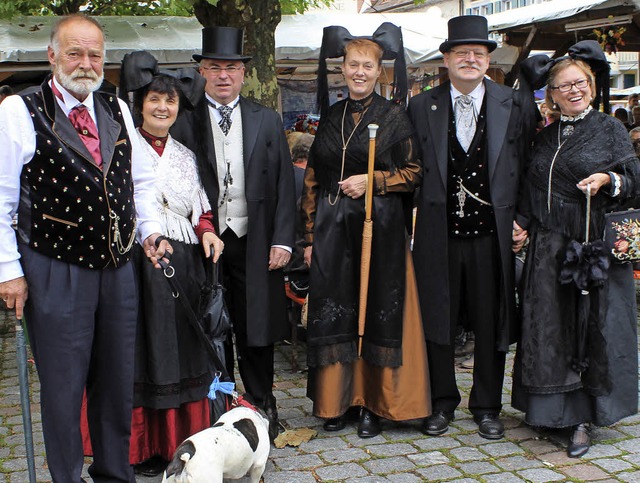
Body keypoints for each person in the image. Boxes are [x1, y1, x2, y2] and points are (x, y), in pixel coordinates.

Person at [0, 14, 170, 482]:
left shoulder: (116, 108)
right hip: (54, 267)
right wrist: (7, 270)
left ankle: (116, 474)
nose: (86, 63)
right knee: (63, 388)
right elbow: (1, 197)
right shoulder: (20, 109)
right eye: (74, 52)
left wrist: (150, 231)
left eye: (95, 53)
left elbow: (141, 182)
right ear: (52, 55)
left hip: (117, 268)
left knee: (115, 384)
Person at [408, 15, 535, 440]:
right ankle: (442, 403)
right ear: (445, 60)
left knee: (490, 319)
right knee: (437, 319)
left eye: (478, 54)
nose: (469, 60)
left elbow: (530, 167)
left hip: (493, 234)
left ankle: (486, 406)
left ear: (487, 59)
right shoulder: (420, 105)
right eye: (460, 53)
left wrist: (523, 218)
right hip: (437, 234)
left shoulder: (513, 103)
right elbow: (411, 170)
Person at [301, 23, 431, 438]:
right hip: (333, 229)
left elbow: (413, 173)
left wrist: (373, 179)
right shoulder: (332, 117)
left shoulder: (393, 117)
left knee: (375, 309)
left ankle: (375, 403)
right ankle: (337, 401)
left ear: (379, 71)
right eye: (353, 64)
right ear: (342, 69)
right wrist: (309, 233)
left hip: (381, 229)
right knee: (338, 311)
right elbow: (314, 179)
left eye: (367, 66)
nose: (359, 72)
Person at [512, 42, 640, 458]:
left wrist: (608, 179)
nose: (573, 90)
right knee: (548, 329)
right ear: (551, 94)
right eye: (563, 86)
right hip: (548, 249)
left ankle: (584, 417)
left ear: (591, 85)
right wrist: (523, 223)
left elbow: (634, 177)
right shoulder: (545, 135)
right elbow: (534, 187)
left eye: (580, 83)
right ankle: (549, 411)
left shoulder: (609, 128)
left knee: (588, 327)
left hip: (590, 246)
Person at [170, 26, 296, 441]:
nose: (223, 75)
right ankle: (218, 409)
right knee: (210, 325)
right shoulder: (184, 123)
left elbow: (283, 184)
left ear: (243, 73)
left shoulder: (266, 119)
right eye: (215, 67)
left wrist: (283, 239)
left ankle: (263, 405)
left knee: (257, 325)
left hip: (255, 237)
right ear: (203, 71)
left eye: (231, 68)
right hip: (204, 242)